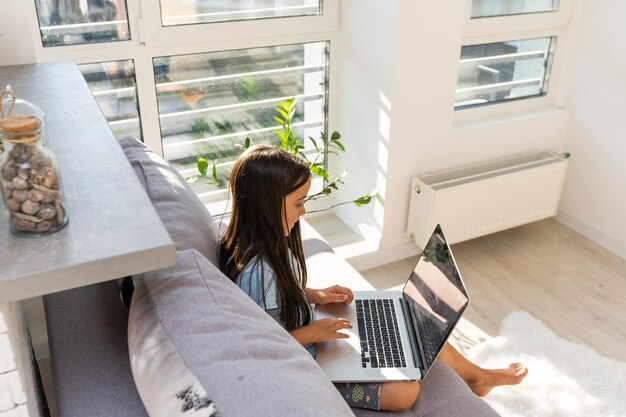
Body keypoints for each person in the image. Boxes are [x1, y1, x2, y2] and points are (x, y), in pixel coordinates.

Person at [219, 144, 528, 411]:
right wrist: (314, 332)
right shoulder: (257, 272)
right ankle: (475, 377)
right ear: (265, 204)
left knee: (409, 322)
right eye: (298, 203)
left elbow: (278, 297)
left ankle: (476, 376)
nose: (303, 212)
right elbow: (268, 345)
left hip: (310, 331)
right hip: (304, 363)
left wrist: (315, 295)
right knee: (406, 392)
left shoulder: (267, 243)